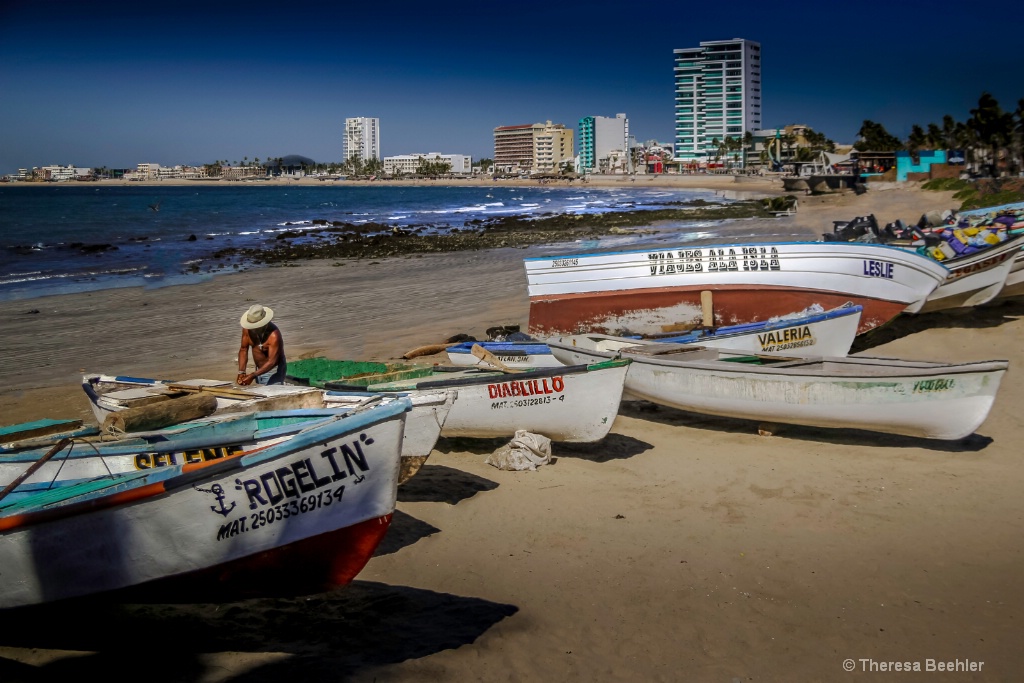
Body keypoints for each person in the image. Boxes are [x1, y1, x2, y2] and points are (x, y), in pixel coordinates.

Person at [237, 303, 286, 385]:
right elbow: (243, 349)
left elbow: (272, 362)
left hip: (273, 370)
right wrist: (241, 372)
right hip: (259, 368)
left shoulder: (274, 336)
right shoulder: (247, 330)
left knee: (272, 394)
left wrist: (253, 375)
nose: (252, 329)